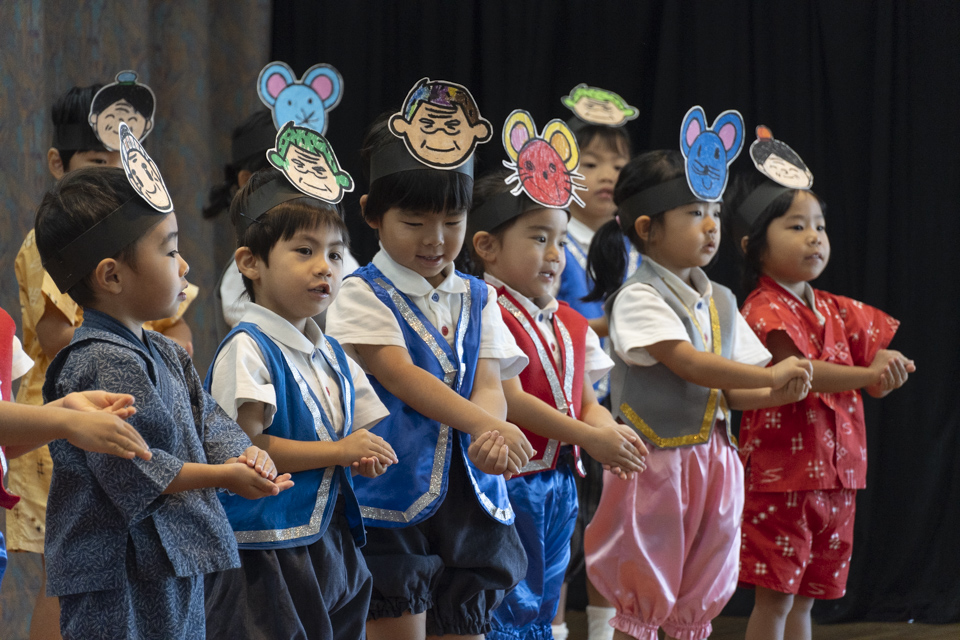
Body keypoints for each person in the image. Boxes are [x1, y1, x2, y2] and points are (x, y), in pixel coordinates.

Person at [35, 165, 291, 639]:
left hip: (171, 562)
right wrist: (224, 477)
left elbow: (210, 421)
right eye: (170, 250)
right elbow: (135, 467)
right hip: (116, 570)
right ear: (111, 275)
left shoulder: (168, 351)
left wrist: (245, 454)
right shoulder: (95, 360)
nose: (184, 265)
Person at [582, 150, 814, 640]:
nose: (711, 227)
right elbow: (685, 360)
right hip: (655, 463)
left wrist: (779, 390)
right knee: (646, 589)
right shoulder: (637, 297)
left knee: (699, 590)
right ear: (647, 227)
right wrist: (771, 378)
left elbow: (735, 391)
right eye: (694, 213)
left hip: (715, 461)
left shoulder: (723, 301)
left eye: (714, 213)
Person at [325, 107, 532, 639]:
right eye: (414, 223)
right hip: (393, 494)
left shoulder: (480, 295)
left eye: (452, 222)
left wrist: (490, 429)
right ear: (371, 213)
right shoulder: (361, 294)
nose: (435, 239)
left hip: (472, 500)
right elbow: (402, 377)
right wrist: (485, 426)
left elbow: (490, 382)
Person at [10, 83, 197, 640]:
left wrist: (172, 349)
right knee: (67, 571)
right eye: (97, 160)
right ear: (57, 161)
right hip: (56, 429)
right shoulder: (56, 244)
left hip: (119, 418)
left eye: (124, 159)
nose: (112, 173)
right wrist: (128, 352)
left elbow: (176, 321)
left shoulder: (143, 238)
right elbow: (55, 332)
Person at [204, 166, 397, 639]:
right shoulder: (247, 347)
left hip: (330, 537)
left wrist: (363, 455)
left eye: (335, 253)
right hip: (265, 546)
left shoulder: (331, 350)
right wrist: (339, 453)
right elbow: (246, 448)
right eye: (305, 251)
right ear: (251, 262)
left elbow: (354, 436)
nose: (324, 267)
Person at [728, 169, 913, 640]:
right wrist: (869, 373)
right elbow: (805, 370)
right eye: (796, 226)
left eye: (820, 226)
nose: (814, 237)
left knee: (807, 602)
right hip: (781, 477)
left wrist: (887, 368)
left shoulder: (835, 306)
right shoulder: (761, 307)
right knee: (776, 600)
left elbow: (873, 370)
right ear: (752, 244)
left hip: (839, 478)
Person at [464, 170, 648, 640]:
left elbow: (587, 400)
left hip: (560, 479)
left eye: (562, 241)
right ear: (486, 246)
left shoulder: (570, 319)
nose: (554, 254)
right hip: (510, 480)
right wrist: (591, 437)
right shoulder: (484, 307)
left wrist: (611, 433)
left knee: (547, 596)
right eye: (539, 237)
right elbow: (511, 400)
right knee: (509, 600)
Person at [556, 87, 640, 640]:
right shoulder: (554, 242)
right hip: (565, 403)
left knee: (616, 523)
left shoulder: (632, 244)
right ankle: (555, 624)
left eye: (617, 162)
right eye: (589, 163)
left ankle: (608, 628)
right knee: (563, 526)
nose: (606, 173)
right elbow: (559, 320)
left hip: (622, 403)